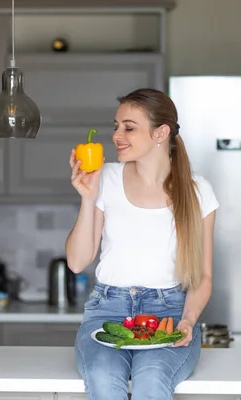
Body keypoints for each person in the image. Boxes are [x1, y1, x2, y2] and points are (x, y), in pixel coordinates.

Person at [65, 88, 219, 400]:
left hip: (170, 315)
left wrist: (188, 321)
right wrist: (88, 197)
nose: (116, 135)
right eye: (116, 126)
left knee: (152, 378)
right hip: (107, 310)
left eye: (129, 127)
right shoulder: (104, 177)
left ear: (161, 132)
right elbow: (77, 262)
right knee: (102, 377)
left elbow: (203, 277)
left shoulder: (198, 191)